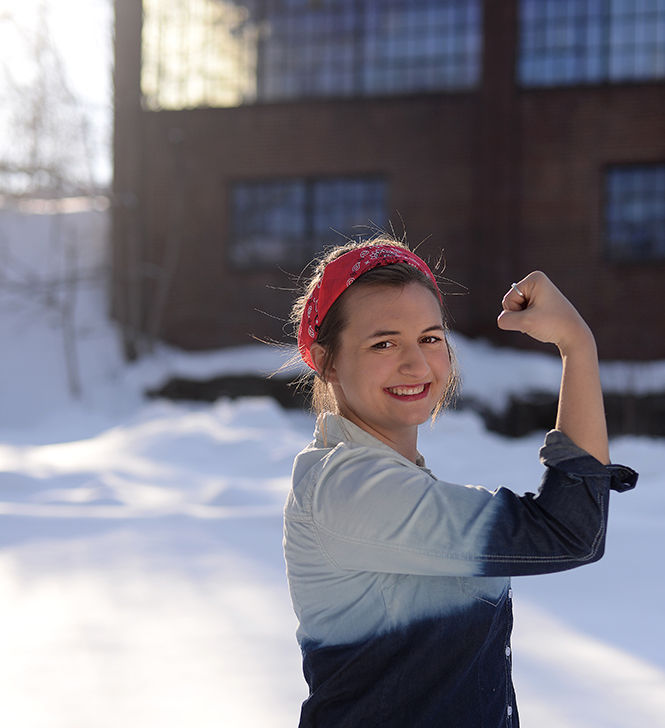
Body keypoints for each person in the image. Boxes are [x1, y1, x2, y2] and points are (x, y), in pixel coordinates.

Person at [283, 236, 637, 727]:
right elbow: (568, 531)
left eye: (430, 337)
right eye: (383, 342)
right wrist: (576, 345)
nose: (416, 363)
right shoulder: (345, 487)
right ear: (326, 361)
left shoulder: (392, 481)